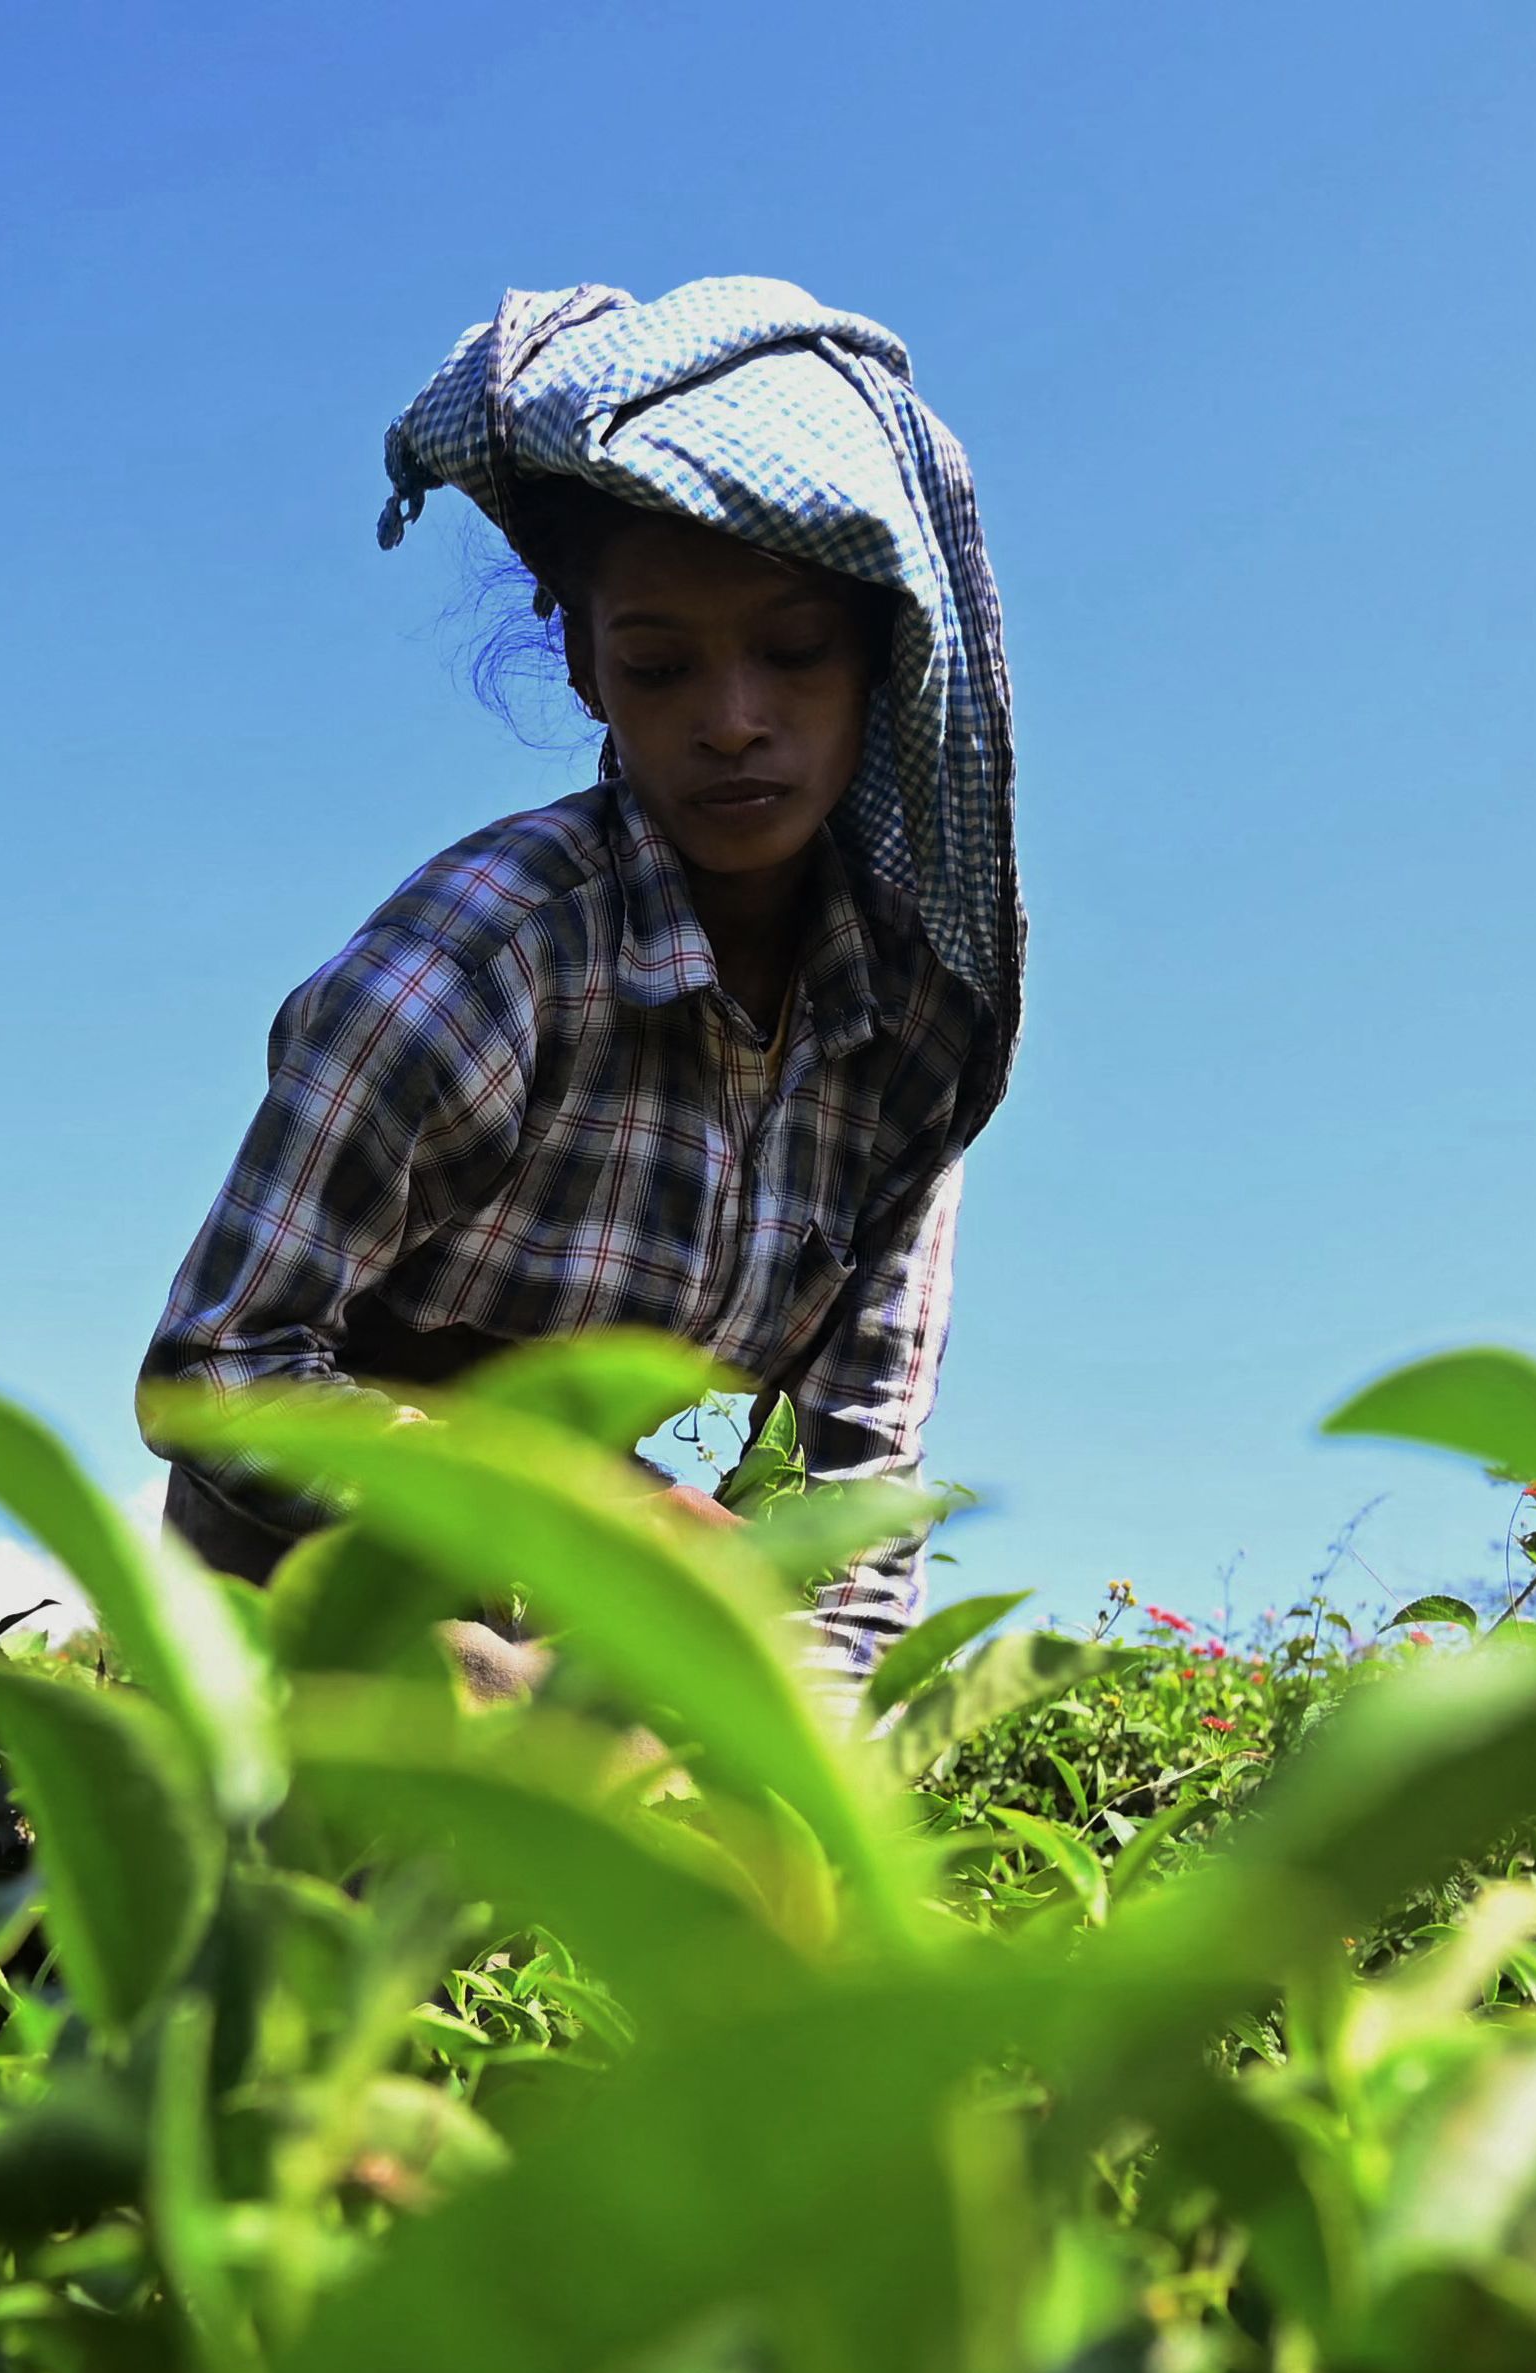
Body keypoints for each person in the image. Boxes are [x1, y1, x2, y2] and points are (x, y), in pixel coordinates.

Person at [139, 277, 1021, 1675]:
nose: (732, 722)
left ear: (879, 658)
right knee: (478, 1746)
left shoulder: (904, 1045)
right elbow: (220, 1374)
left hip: (601, 1623)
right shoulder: (483, 957)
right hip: (324, 1577)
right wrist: (599, 1516)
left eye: (791, 652)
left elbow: (860, 1509)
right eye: (660, 665)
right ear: (585, 673)